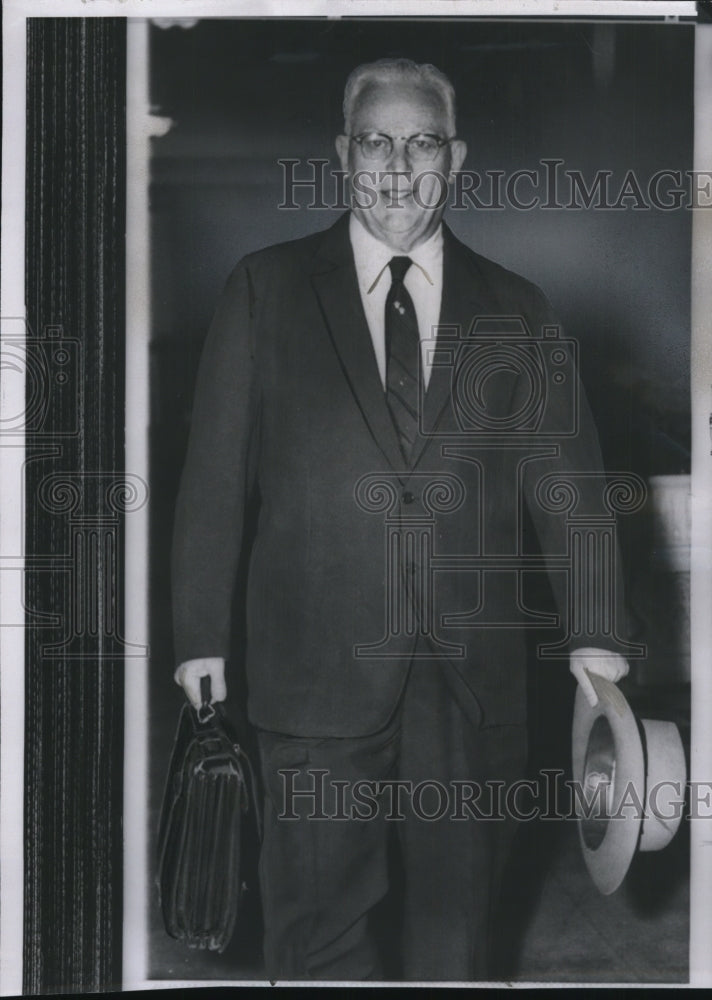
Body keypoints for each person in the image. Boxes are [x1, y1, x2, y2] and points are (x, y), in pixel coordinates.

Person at [171, 58, 630, 981]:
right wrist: (199, 635)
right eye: (375, 141)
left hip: (471, 687)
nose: (396, 165)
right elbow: (214, 477)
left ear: (453, 158)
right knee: (312, 933)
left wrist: (597, 632)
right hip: (311, 677)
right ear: (344, 154)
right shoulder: (264, 289)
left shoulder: (519, 308)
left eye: (420, 142)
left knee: (456, 943)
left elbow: (567, 485)